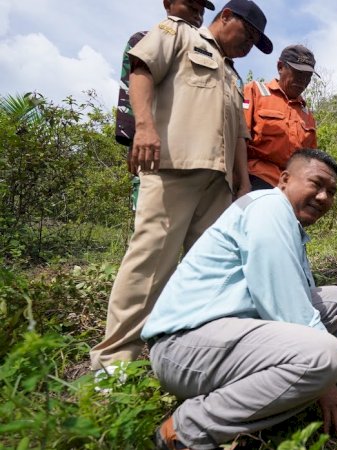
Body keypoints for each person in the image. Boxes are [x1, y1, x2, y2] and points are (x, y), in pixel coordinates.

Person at [143, 150, 337, 449]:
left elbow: (299, 306)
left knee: (335, 300)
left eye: (331, 191)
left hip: (219, 338)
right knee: (324, 357)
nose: (324, 197)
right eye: (316, 184)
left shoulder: (285, 220)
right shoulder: (269, 208)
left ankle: (241, 404)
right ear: (285, 179)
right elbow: (288, 309)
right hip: (183, 348)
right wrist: (326, 386)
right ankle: (186, 430)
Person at [90, 0, 272, 372]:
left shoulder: (232, 74)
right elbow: (141, 69)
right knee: (149, 264)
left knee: (209, 273)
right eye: (248, 34)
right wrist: (143, 126)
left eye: (255, 41)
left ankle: (188, 357)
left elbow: (239, 135)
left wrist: (241, 186)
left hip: (218, 185)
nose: (249, 45)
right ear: (225, 18)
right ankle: (114, 365)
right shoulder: (179, 34)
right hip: (175, 168)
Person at [115, 0, 217, 214]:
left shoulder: (208, 51)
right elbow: (130, 91)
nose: (197, 15)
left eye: (201, 11)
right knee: (150, 224)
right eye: (190, 7)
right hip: (155, 151)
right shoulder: (145, 39)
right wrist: (137, 135)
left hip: (191, 156)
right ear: (168, 3)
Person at [243, 44, 318, 190]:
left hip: (291, 187)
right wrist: (241, 182)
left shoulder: (308, 115)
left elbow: (310, 159)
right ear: (280, 67)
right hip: (256, 177)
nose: (302, 81)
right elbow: (238, 139)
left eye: (307, 76)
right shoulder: (254, 92)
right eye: (297, 73)